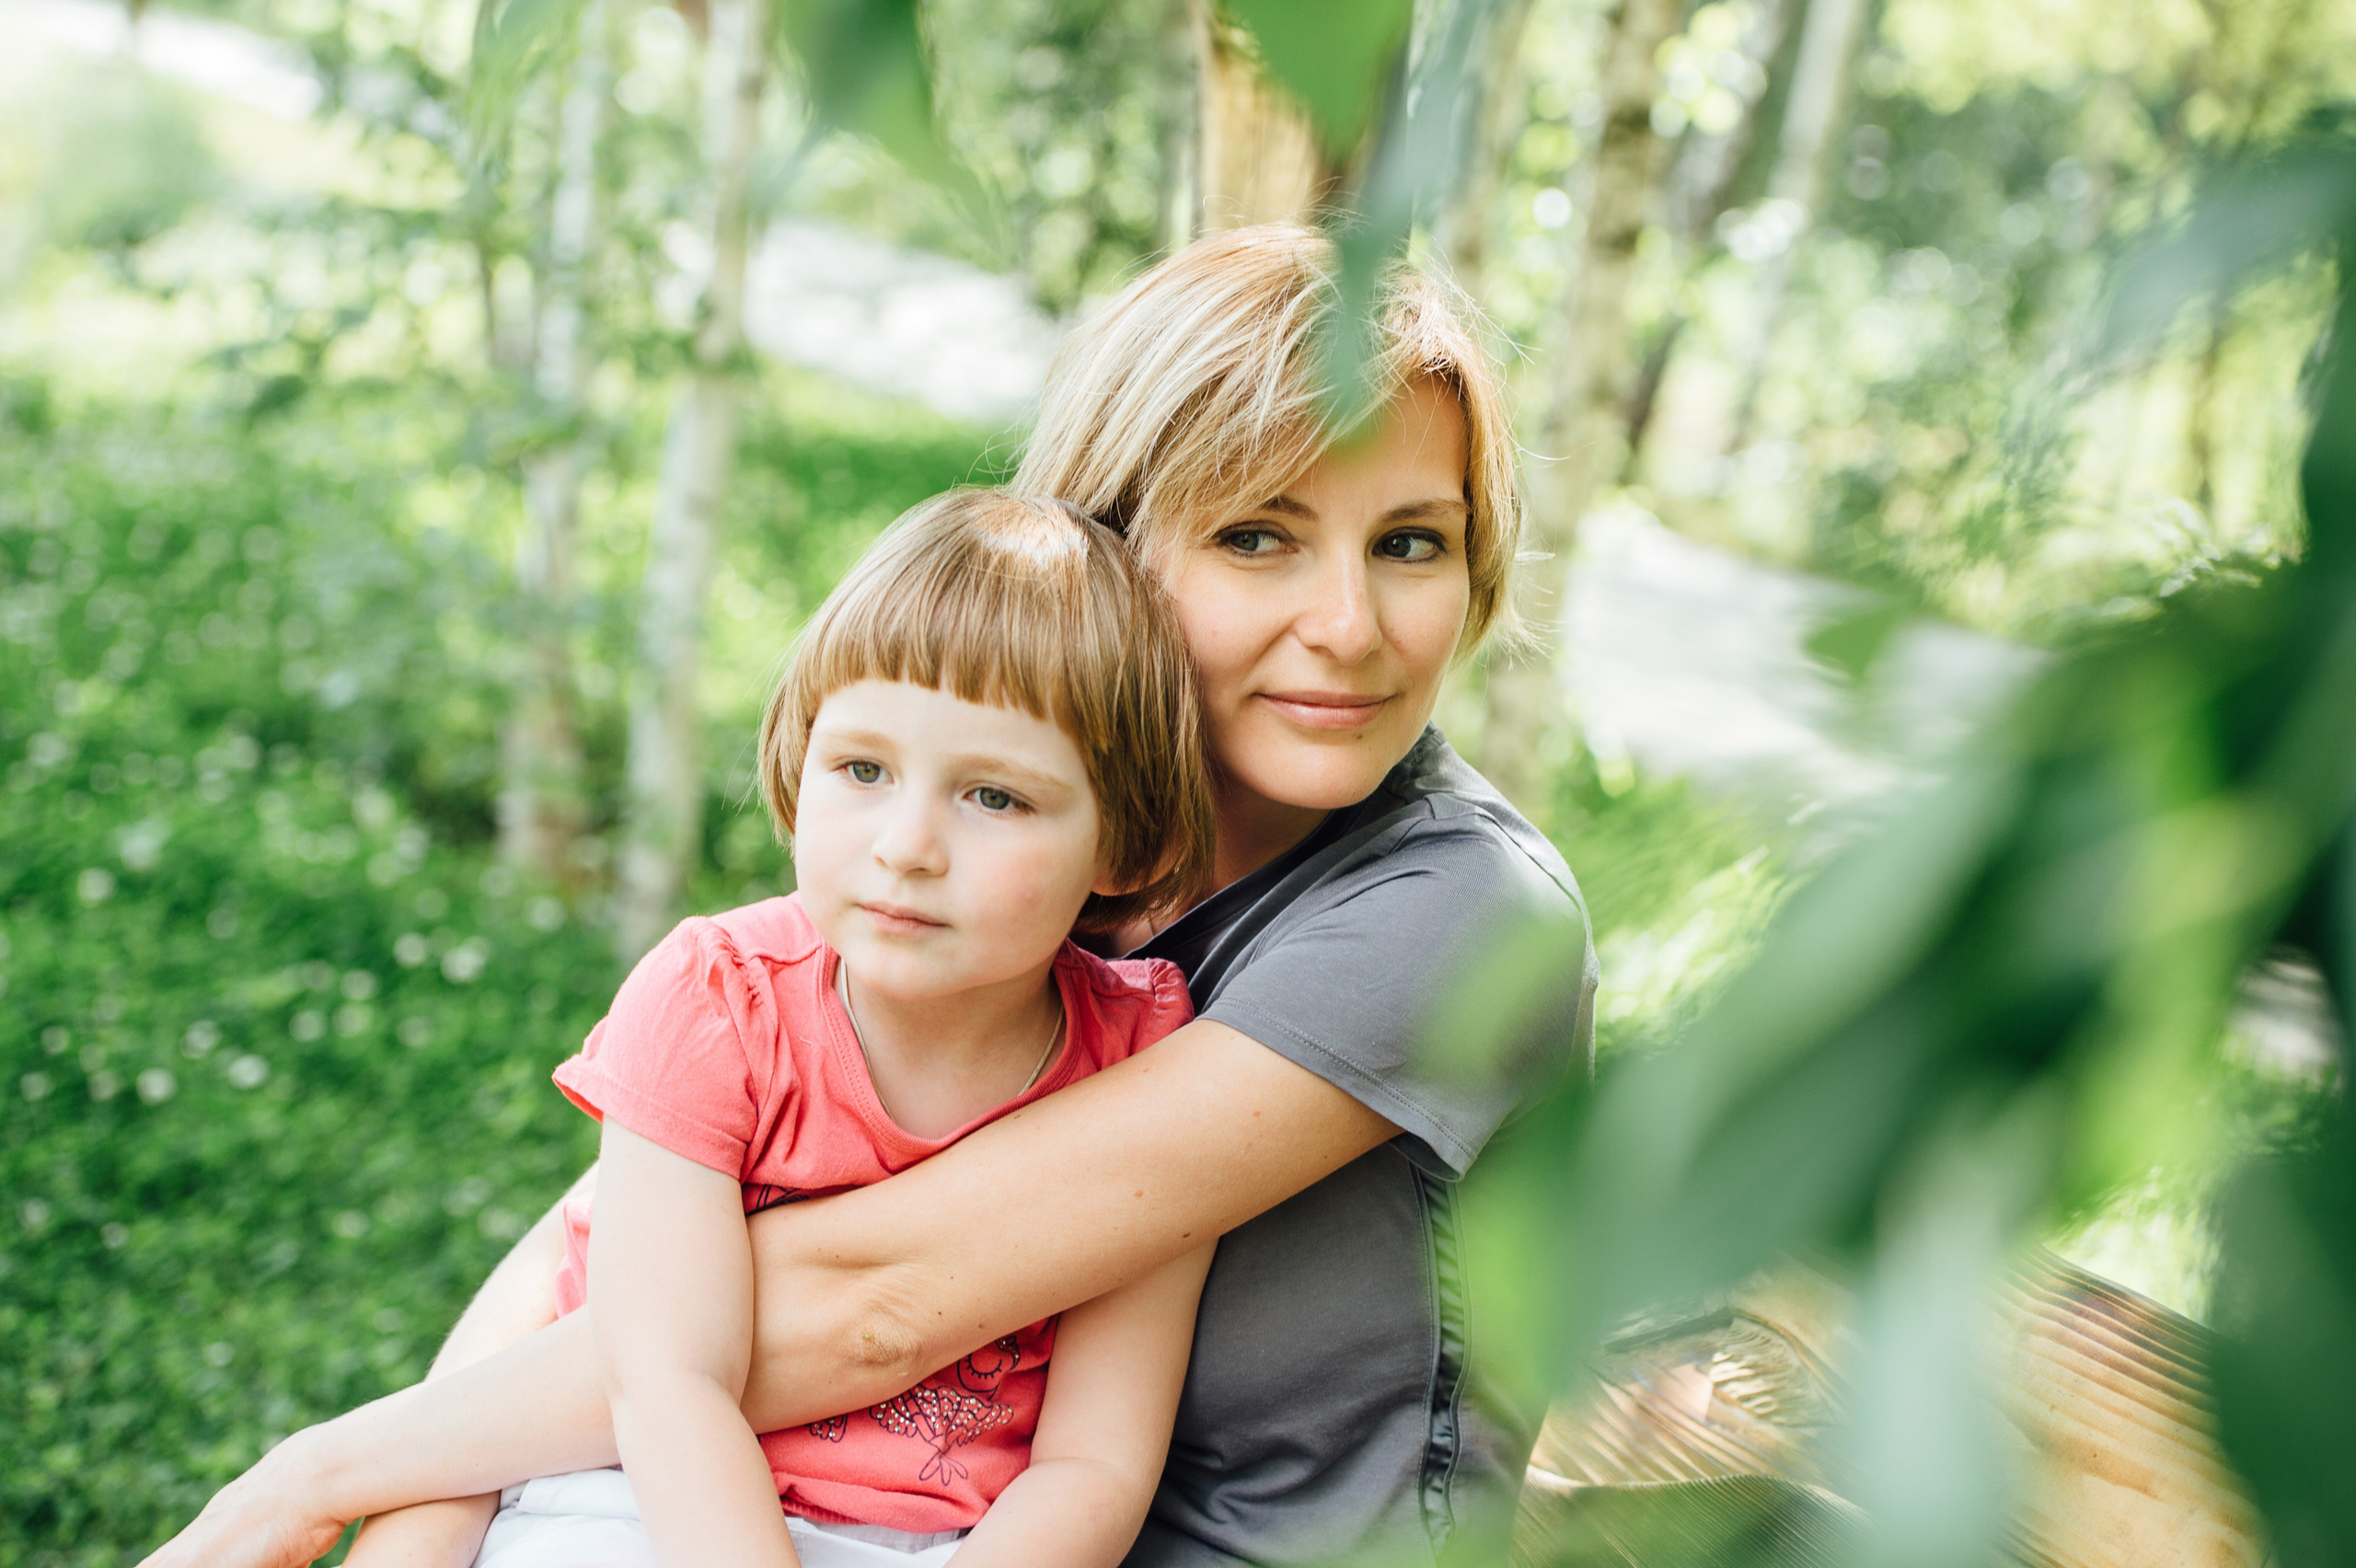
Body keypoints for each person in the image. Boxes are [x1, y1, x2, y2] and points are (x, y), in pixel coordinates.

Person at [139, 223, 1600, 1568]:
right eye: (1258, 535)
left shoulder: (1458, 918)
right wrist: (421, 1516)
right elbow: (606, 1233)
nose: (1348, 626)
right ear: (1102, 553)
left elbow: (871, 1298)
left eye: (1412, 542)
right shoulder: (1012, 843)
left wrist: (323, 1473)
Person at [465, 490, 1218, 1568]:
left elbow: (1092, 1464)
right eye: (862, 770)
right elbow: (666, 1380)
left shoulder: (1141, 1057)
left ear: (1126, 848)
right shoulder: (716, 1000)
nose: (906, 845)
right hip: (644, 1505)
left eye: (994, 797)